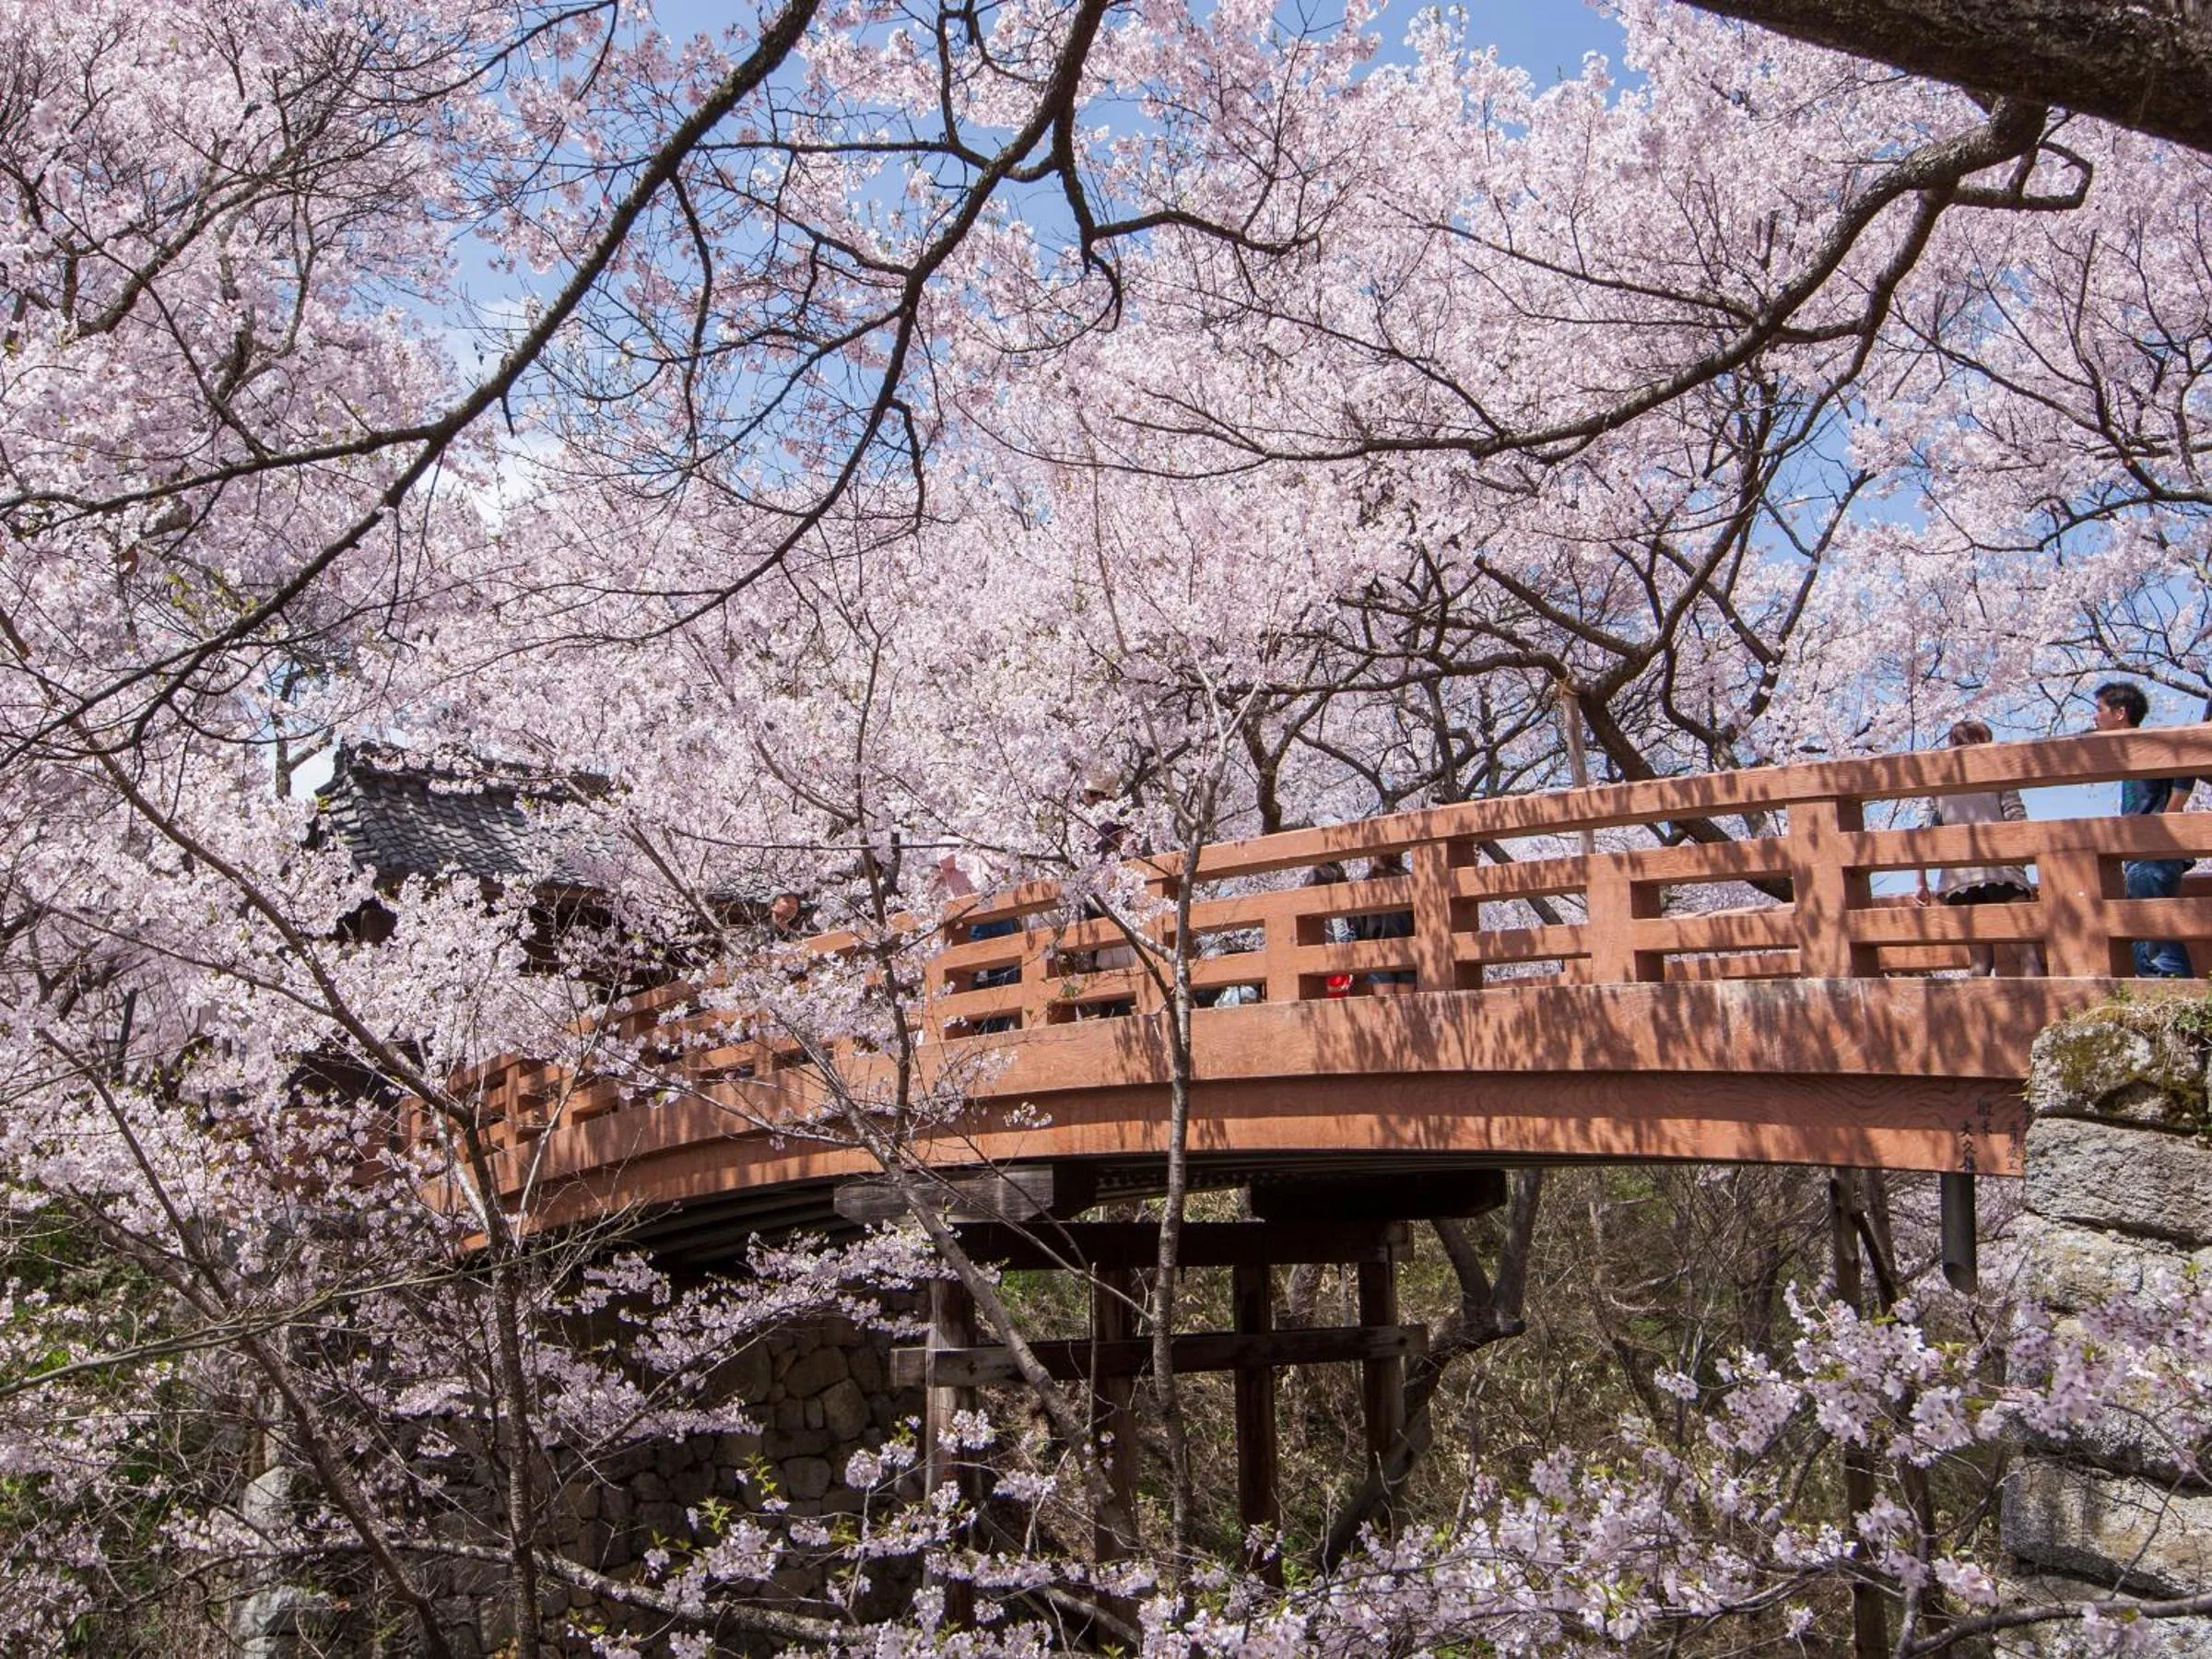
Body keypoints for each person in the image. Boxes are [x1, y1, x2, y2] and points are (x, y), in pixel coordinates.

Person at [1914, 719, 2043, 978]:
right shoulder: (1998, 773)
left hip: (1958, 878)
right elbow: (2017, 820)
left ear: (1952, 743)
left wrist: (1921, 881)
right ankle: (2043, 1014)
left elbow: (1923, 831)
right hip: (2002, 872)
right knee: (2026, 952)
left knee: (1980, 961)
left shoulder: (1937, 783)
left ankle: (1978, 1017)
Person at [2094, 680, 2197, 978]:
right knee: (2145, 934)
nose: (2094, 717)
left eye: (2099, 709)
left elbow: (2188, 765)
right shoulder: (2131, 753)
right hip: (2141, 856)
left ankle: (2178, 998)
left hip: (2154, 855)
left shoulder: (2149, 744)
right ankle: (2162, 1002)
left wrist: (2167, 819)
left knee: (2157, 934)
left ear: (2120, 713)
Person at [1347, 852, 1418, 990]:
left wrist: (1363, 939)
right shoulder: (1408, 879)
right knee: (1406, 1004)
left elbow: (1358, 921)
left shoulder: (1368, 881)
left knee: (1385, 1002)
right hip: (1407, 945)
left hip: (1379, 946)